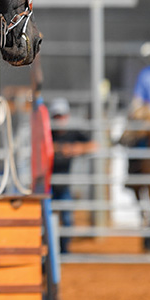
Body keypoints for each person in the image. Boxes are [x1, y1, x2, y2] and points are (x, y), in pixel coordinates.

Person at [48, 98, 97, 253]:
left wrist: (76, 148)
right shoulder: (48, 132)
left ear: (67, 116)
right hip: (47, 184)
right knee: (46, 219)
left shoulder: (73, 133)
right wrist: (60, 148)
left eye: (62, 116)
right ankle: (51, 252)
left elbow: (94, 145)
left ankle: (64, 251)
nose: (60, 119)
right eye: (57, 116)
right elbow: (40, 146)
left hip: (64, 184)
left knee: (67, 219)